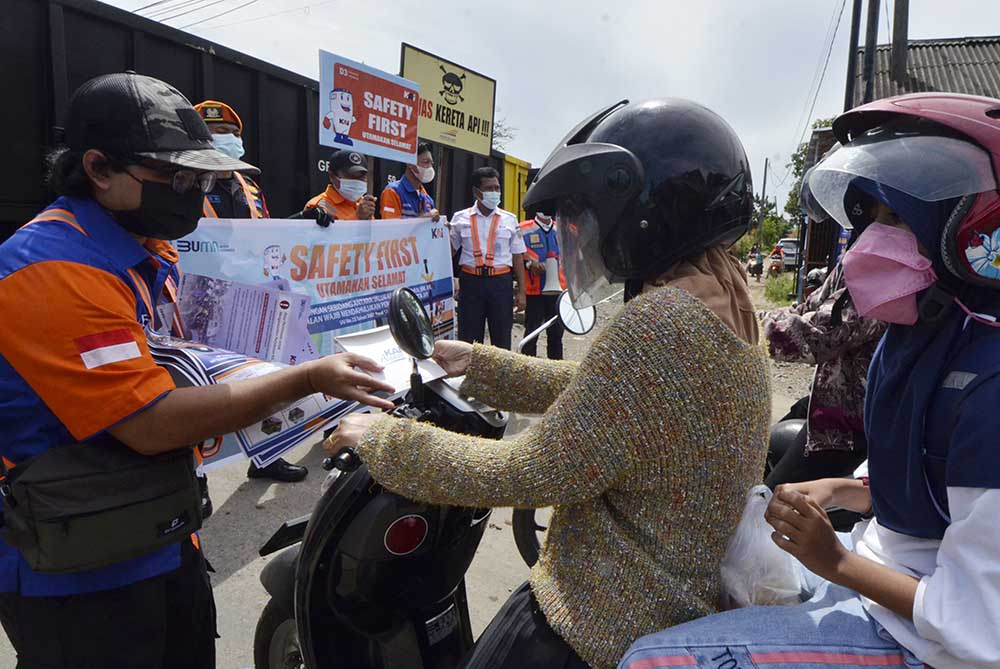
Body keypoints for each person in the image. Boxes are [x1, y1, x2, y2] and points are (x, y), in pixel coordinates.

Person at [325, 98, 771, 669]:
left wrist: (383, 440)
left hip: (602, 617)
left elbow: (531, 469)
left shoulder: (662, 323)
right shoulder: (722, 295)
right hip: (674, 603)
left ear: (645, 210)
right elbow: (615, 395)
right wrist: (481, 364)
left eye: (590, 212)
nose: (583, 232)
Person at [0, 72, 394, 669]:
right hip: (77, 567)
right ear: (100, 169)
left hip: (154, 527)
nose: (193, 193)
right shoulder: (53, 270)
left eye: (204, 179)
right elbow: (150, 423)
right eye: (178, 177)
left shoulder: (145, 247)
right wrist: (307, 379)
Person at [619, 93, 1000, 669]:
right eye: (871, 219)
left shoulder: (989, 385)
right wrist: (841, 490)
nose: (873, 239)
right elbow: (925, 478)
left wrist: (836, 564)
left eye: (896, 219)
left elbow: (980, 625)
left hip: (926, 638)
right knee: (725, 575)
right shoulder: (919, 337)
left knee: (647, 659)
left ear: (968, 229)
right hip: (887, 570)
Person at [194, 98, 306, 483]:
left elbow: (266, 234)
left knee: (259, 379)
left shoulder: (249, 186)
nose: (225, 140)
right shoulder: (186, 183)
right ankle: (196, 471)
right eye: (216, 133)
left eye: (231, 134)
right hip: (201, 302)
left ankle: (266, 456)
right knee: (199, 387)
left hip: (249, 300)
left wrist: (306, 221)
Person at [760, 173, 887, 487]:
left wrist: (741, 329)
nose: (879, 225)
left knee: (774, 501)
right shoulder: (858, 254)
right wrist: (750, 316)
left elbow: (818, 336)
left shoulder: (889, 270)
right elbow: (807, 310)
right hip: (832, 396)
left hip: (855, 420)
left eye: (892, 217)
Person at [449, 167, 527, 350]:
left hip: (500, 283)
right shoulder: (460, 219)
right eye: (489, 188)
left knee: (501, 338)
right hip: (471, 283)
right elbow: (448, 252)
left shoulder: (510, 219)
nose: (495, 192)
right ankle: (468, 376)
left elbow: (517, 257)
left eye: (497, 188)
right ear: (477, 192)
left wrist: (522, 292)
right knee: (468, 340)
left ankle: (499, 379)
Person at [193, 100, 270, 219]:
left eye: (236, 134)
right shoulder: (180, 183)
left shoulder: (250, 186)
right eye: (222, 132)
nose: (232, 138)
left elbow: (266, 230)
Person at [519, 210, 566, 358]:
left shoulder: (563, 229)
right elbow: (516, 256)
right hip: (535, 291)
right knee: (531, 334)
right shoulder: (523, 229)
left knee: (556, 335)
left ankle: (557, 373)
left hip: (558, 292)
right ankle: (527, 373)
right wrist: (530, 265)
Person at [300, 149, 376, 225]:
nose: (356, 181)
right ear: (332, 176)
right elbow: (324, 235)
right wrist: (357, 216)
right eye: (350, 176)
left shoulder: (364, 204)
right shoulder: (319, 206)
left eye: (361, 177)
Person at [379, 141, 439, 220]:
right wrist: (424, 219)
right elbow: (390, 228)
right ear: (410, 163)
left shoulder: (427, 198)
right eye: (425, 162)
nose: (430, 167)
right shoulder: (392, 192)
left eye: (431, 163)